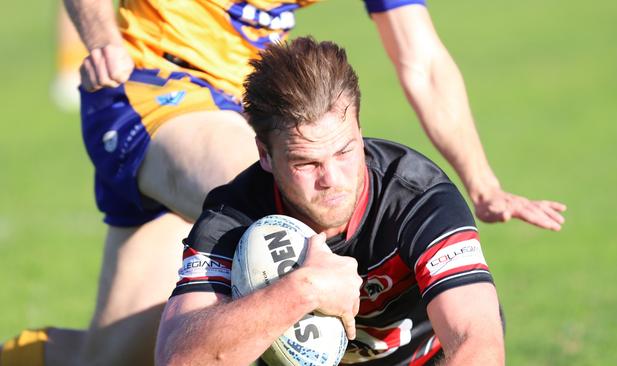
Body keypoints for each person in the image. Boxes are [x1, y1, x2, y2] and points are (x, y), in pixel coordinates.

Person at [1, 0, 561, 365]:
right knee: (286, 236)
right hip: (149, 81)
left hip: (256, 98)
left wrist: (481, 182)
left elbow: (423, 59)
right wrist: (101, 37)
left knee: (105, 358)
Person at [156, 37, 505, 366]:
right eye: (306, 163)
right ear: (265, 154)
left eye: (345, 151)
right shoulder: (234, 215)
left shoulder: (418, 200)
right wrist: (302, 291)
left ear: (359, 128)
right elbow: (176, 358)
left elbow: (480, 343)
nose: (332, 180)